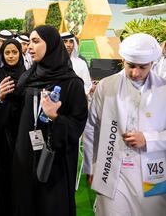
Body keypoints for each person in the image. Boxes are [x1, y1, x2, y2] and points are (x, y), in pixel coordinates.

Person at [83, 33, 166, 216]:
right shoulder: (106, 86)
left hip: (152, 170)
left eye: (142, 67)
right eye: (131, 66)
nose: (135, 73)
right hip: (111, 168)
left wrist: (148, 139)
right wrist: (90, 166)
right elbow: (92, 127)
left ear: (152, 63)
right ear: (123, 61)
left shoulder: (164, 89)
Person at [9, 25, 88, 216]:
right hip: (25, 156)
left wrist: (55, 117)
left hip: (55, 162)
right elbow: (14, 117)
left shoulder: (72, 83)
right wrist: (3, 100)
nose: (29, 47)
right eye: (29, 42)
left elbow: (77, 126)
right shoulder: (27, 78)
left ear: (51, 45)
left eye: (36, 41)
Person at [0, 39, 26, 216]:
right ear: (2, 54)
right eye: (7, 53)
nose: (10, 56)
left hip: (21, 135)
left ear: (20, 53)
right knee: (0, 178)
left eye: (14, 52)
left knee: (19, 178)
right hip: (0, 136)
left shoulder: (28, 75)